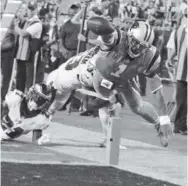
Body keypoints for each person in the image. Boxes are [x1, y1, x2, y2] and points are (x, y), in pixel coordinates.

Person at [74, 17, 173, 147]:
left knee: (137, 106)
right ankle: (110, 138)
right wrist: (102, 26)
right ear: (129, 36)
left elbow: (157, 90)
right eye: (136, 42)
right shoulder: (116, 38)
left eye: (143, 46)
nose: (138, 47)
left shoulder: (150, 56)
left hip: (123, 78)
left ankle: (158, 126)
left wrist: (164, 120)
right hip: (101, 73)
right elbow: (104, 33)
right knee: (107, 101)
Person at [14, 1, 43, 92]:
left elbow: (23, 33)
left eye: (31, 9)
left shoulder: (37, 23)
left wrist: (15, 25)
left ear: (35, 11)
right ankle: (18, 101)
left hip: (30, 57)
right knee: (19, 80)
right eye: (28, 9)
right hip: (21, 55)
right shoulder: (26, 21)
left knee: (29, 82)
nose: (29, 11)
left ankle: (27, 103)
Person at [167, 9, 187, 135]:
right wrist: (169, 59)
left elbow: (173, 49)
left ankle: (179, 125)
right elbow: (174, 48)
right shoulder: (180, 30)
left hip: (180, 70)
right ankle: (179, 125)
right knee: (181, 100)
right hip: (181, 70)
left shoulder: (179, 30)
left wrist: (169, 59)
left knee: (181, 100)